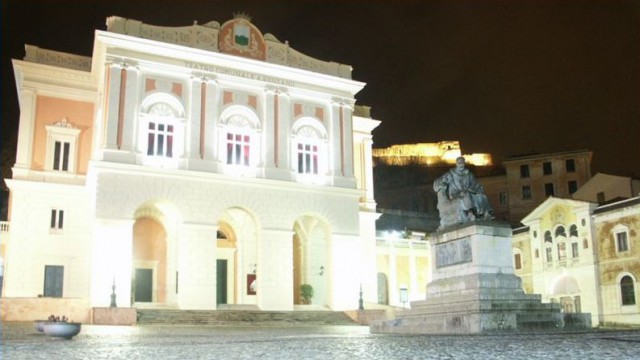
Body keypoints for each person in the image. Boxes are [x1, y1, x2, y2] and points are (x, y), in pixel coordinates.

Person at [434, 156, 494, 227]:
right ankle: (470, 213)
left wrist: (477, 189)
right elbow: (437, 183)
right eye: (459, 163)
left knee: (481, 196)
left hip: (468, 191)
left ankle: (486, 213)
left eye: (462, 163)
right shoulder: (451, 174)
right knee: (466, 195)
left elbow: (476, 184)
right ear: (456, 164)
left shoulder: (469, 174)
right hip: (455, 194)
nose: (461, 164)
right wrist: (441, 184)